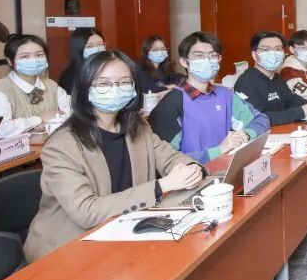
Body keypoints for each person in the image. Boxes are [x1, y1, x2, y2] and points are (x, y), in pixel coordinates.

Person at [24, 50, 206, 261]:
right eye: (103, 83)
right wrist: (161, 186)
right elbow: (86, 211)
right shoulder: (60, 146)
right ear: (84, 88)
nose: (115, 89)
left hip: (125, 231)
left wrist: (192, 168)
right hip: (69, 250)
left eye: (124, 82)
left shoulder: (137, 126)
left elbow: (170, 157)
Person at [148, 31, 269, 163]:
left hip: (228, 167)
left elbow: (261, 120)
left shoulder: (225, 95)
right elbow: (167, 161)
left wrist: (245, 134)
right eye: (199, 56)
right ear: (184, 62)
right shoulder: (170, 105)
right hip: (195, 173)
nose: (207, 60)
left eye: (212, 55)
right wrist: (219, 150)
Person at [0, 34, 71, 140]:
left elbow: (72, 113)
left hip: (51, 145)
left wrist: (52, 121)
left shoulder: (52, 86)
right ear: (10, 61)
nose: (34, 60)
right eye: (25, 56)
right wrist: (39, 119)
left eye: (39, 55)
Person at [234, 31, 307, 126]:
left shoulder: (277, 78)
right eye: (266, 49)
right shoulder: (246, 82)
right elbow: (257, 118)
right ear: (254, 55)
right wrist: (302, 111)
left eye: (277, 49)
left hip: (285, 130)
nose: (273, 53)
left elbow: (293, 101)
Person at [57, 27, 106, 96]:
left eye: (100, 44)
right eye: (89, 46)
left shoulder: (109, 67)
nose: (96, 48)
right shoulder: (70, 76)